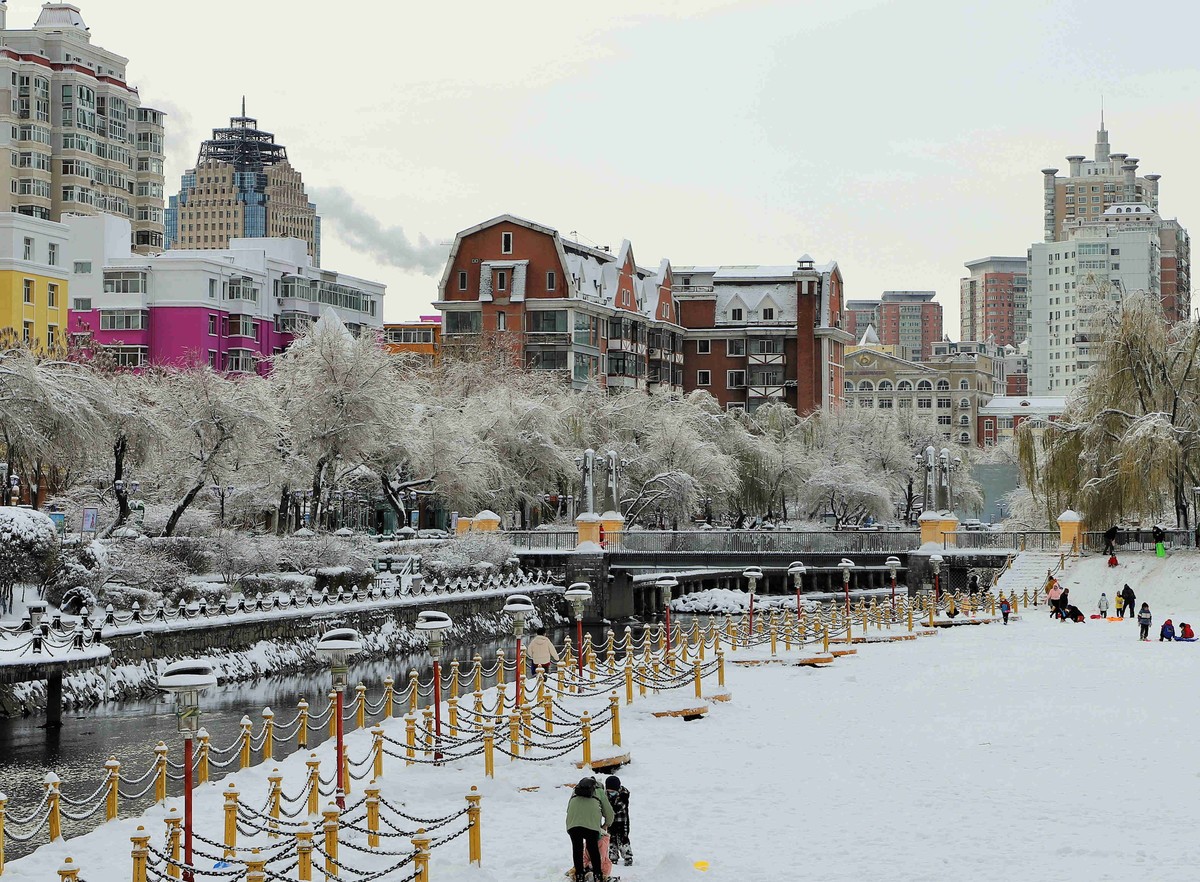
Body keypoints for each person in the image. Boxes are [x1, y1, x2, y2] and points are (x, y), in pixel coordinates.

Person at [567, 776, 613, 882]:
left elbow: (569, 807)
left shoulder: (576, 790)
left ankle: (579, 875)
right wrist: (606, 824)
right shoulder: (600, 791)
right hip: (591, 825)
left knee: (577, 849)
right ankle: (598, 875)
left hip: (573, 823)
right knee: (593, 848)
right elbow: (609, 813)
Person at [605, 775, 633, 867]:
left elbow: (618, 808)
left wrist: (607, 810)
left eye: (612, 791)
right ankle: (613, 856)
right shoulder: (606, 795)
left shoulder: (623, 795)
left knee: (623, 838)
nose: (610, 793)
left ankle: (627, 856)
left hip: (622, 821)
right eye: (609, 791)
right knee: (611, 838)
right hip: (611, 821)